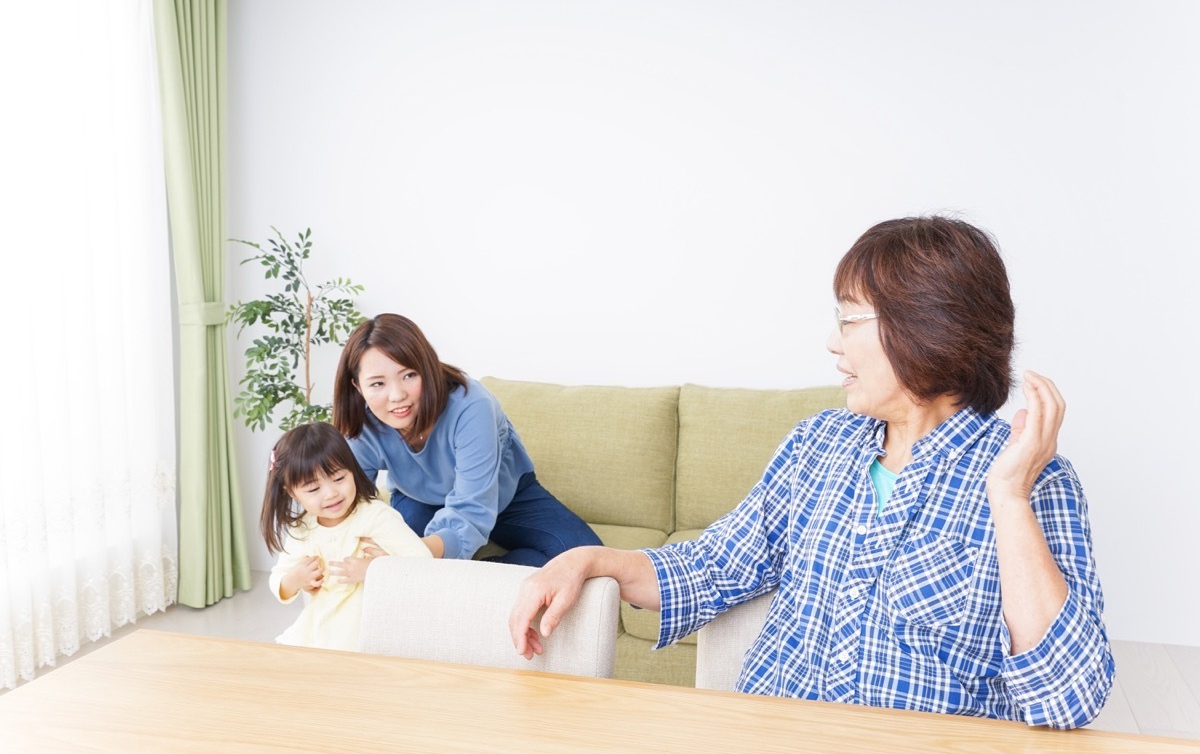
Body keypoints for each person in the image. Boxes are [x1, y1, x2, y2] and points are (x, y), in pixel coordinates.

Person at [509, 216, 1114, 730]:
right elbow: (712, 567)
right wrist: (590, 559)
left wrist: (1008, 498)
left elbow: (1066, 700)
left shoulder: (1036, 482)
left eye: (851, 319)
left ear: (929, 327)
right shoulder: (817, 445)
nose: (832, 341)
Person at [332, 313, 602, 566]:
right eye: (377, 383)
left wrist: (411, 554)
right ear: (357, 386)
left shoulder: (471, 405)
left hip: (503, 496)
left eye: (409, 375)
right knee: (397, 561)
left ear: (427, 368)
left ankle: (472, 578)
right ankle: (461, 581)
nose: (396, 395)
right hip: (420, 501)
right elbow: (347, 503)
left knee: (588, 559)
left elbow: (472, 509)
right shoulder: (362, 423)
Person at [261, 422, 432, 651]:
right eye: (313, 489)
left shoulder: (375, 516)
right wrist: (296, 579)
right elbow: (279, 580)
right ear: (291, 492)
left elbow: (424, 563)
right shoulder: (303, 529)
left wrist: (374, 569)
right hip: (318, 632)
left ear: (352, 469)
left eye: (339, 478)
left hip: (370, 634)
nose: (331, 493)